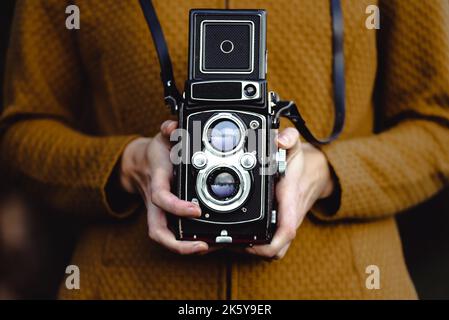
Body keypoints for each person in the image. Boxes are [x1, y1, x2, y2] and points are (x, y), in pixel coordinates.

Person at [1, 0, 448, 299]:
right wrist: (127, 165)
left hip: (345, 284)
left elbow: (438, 127)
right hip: (131, 284)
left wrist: (329, 172)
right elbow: (23, 130)